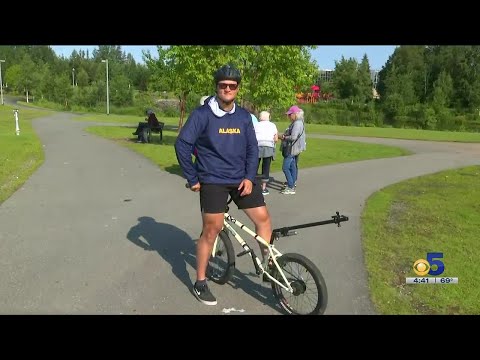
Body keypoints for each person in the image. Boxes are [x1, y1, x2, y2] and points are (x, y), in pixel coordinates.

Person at [174, 64, 273, 306]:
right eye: (223, 85)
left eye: (232, 85)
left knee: (263, 219)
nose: (227, 89)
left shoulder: (243, 116)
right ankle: (200, 281)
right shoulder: (202, 114)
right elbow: (182, 145)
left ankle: (267, 267)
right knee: (212, 230)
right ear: (217, 87)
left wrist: (250, 177)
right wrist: (193, 178)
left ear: (238, 88)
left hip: (241, 180)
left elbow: (252, 149)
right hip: (213, 181)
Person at [280, 105, 306, 195]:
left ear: (295, 114)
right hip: (296, 148)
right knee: (293, 166)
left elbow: (293, 137)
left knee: (285, 167)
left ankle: (291, 187)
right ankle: (292, 182)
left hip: (292, 148)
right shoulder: (298, 122)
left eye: (290, 114)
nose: (289, 116)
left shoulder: (297, 123)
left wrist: (283, 137)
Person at [254, 111, 278, 195]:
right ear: (269, 117)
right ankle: (263, 188)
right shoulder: (272, 125)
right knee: (266, 166)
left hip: (257, 146)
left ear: (260, 117)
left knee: (255, 165)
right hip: (268, 146)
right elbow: (276, 139)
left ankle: (254, 185)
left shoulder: (256, 125)